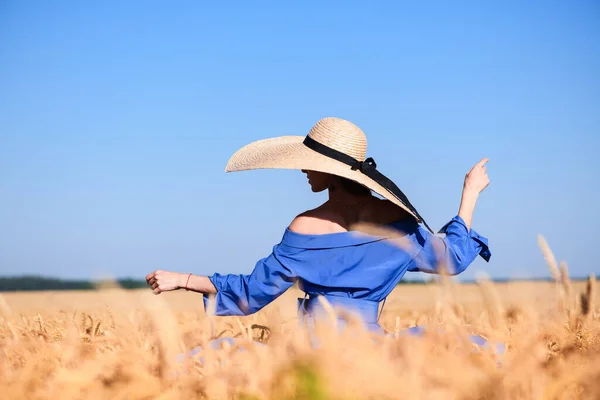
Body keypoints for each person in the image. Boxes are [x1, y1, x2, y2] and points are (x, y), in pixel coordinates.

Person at [145, 117, 492, 341]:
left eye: (311, 164)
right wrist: (470, 193)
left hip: (313, 349)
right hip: (370, 350)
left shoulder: (305, 226)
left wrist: (183, 279)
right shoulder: (400, 224)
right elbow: (453, 259)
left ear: (333, 172)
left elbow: (251, 293)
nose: (303, 171)